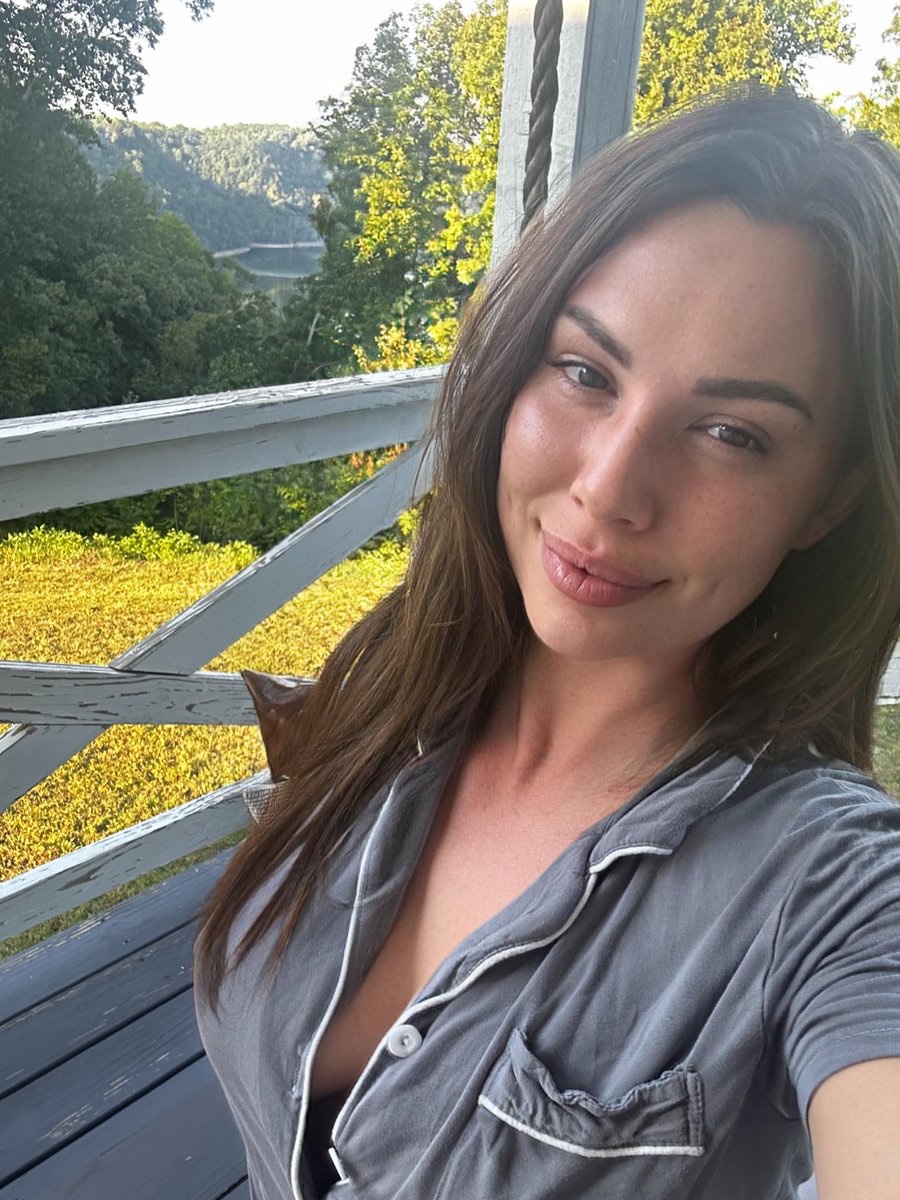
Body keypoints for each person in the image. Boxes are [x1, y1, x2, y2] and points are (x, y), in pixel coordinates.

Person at [193, 86, 900, 1200]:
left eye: (732, 433)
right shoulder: (392, 690)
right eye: (585, 372)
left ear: (829, 501)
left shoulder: (831, 884)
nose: (610, 488)